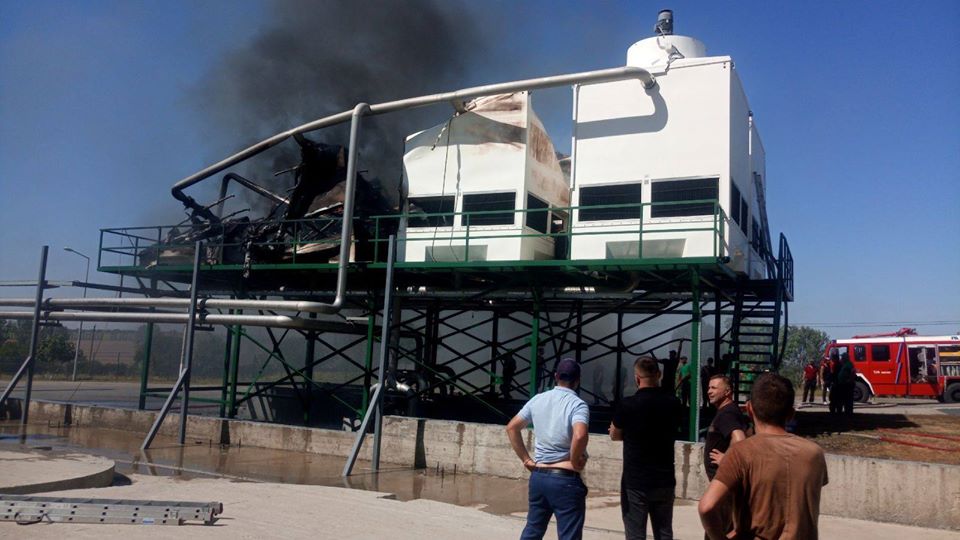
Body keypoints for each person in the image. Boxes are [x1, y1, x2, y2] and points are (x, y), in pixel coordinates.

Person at [698, 373, 829, 540]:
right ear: (791, 414)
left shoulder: (742, 452)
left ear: (749, 409)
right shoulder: (814, 453)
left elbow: (706, 507)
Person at [506, 358, 590, 540]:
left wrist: (526, 460)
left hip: (539, 477)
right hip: (565, 479)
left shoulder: (537, 399)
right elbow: (580, 435)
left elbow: (512, 427)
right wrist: (575, 460)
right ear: (578, 380)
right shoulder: (577, 404)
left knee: (532, 531)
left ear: (556, 376)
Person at [609, 357, 683, 540]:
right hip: (664, 479)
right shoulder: (673, 403)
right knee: (664, 532)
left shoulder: (627, 404)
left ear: (636, 378)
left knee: (635, 534)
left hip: (636, 481)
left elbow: (614, 434)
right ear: (659, 374)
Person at [703, 375, 747, 481]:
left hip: (724, 480)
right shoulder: (728, 410)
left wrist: (727, 459)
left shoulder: (727, 413)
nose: (709, 391)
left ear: (727, 391)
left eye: (714, 388)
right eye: (709, 388)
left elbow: (740, 438)